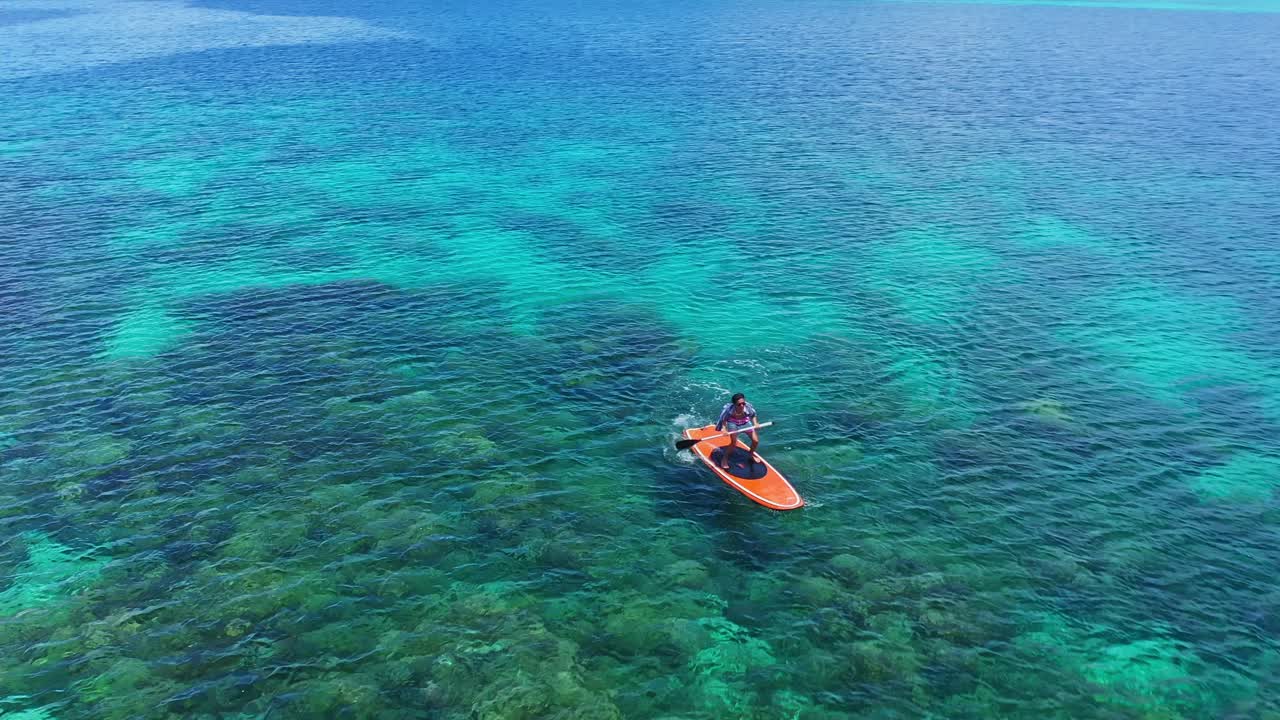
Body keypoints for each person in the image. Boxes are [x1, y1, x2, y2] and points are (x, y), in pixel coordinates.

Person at [715, 392, 761, 469]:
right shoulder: (729, 410)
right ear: (734, 404)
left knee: (755, 441)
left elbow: (753, 415)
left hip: (745, 422)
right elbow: (723, 419)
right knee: (733, 443)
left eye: (743, 403)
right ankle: (724, 459)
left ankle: (751, 454)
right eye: (739, 404)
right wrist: (724, 429)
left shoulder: (748, 407)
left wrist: (755, 423)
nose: (742, 406)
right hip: (733, 423)